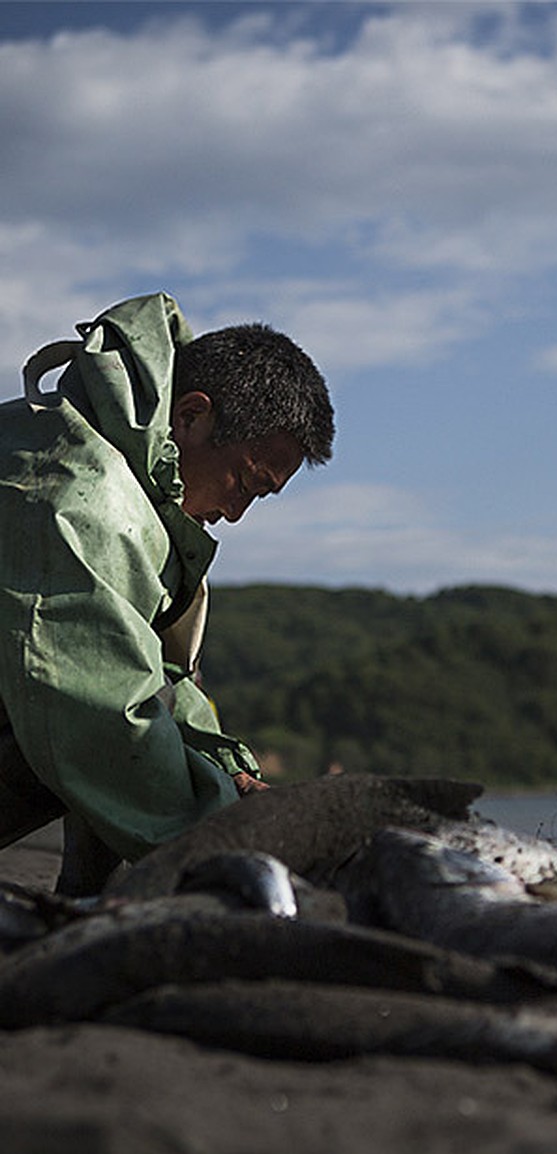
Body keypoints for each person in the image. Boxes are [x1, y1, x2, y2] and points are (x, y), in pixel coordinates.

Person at [0, 292, 334, 894]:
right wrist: (236, 843)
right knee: (90, 729)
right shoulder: (80, 497)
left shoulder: (122, 479)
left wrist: (231, 772)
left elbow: (151, 668)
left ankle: (83, 903)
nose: (235, 513)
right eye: (247, 483)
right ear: (191, 417)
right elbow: (99, 712)